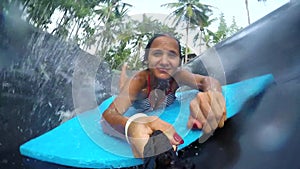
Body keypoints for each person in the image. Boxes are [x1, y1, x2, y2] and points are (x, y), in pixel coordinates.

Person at [101, 34, 226, 158]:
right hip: (136, 97)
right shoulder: (139, 81)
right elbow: (109, 114)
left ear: (179, 62)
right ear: (147, 59)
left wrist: (213, 94)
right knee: (125, 87)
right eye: (157, 54)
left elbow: (207, 81)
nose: (164, 61)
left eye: (172, 55)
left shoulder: (178, 76)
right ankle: (123, 75)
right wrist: (130, 126)